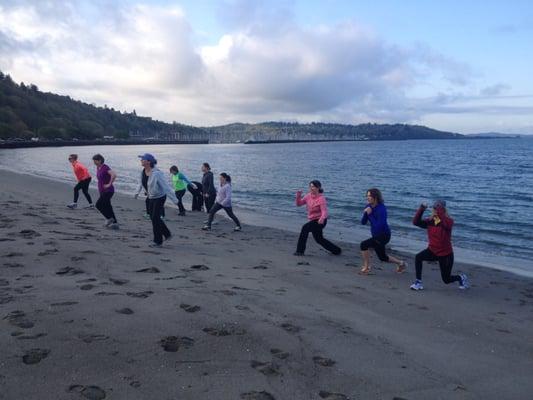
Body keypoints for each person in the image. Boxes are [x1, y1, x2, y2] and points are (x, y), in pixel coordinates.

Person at [410, 200, 469, 291]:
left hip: (446, 254)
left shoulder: (449, 221)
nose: (435, 210)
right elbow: (415, 222)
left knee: (446, 279)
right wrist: (422, 208)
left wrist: (439, 210)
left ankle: (461, 277)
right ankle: (418, 282)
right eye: (434, 208)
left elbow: (444, 223)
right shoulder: (430, 221)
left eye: (437, 208)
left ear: (443, 209)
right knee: (418, 257)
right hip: (432, 251)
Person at [359, 188, 406, 274]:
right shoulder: (368, 206)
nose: (367, 198)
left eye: (369, 196)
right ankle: (401, 263)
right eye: (367, 196)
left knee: (363, 245)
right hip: (376, 235)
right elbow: (363, 222)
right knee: (382, 257)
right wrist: (365, 213)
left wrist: (370, 214)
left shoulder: (382, 209)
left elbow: (378, 226)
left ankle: (366, 267)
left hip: (384, 235)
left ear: (375, 197)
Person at [139, 153, 180, 247]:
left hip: (159, 197)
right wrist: (137, 192)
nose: (141, 160)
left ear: (149, 161)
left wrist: (175, 200)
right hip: (150, 197)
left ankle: (158, 241)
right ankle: (167, 234)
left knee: (155, 218)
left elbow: (166, 187)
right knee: (153, 217)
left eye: (143, 159)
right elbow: (141, 182)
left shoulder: (157, 173)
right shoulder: (143, 171)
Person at [294, 180, 341, 256]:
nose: (311, 188)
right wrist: (298, 195)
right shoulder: (308, 196)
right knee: (319, 239)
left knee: (305, 228)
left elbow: (324, 211)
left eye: (313, 186)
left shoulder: (321, 198)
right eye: (310, 186)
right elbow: (299, 204)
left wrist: (321, 219)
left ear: (318, 187)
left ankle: (300, 251)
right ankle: (337, 250)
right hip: (313, 220)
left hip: (320, 221)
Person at [92, 154, 118, 229]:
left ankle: (109, 218)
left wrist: (109, 184)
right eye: (94, 161)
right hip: (102, 191)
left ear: (100, 160)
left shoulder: (105, 167)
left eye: (95, 160)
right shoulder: (98, 167)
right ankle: (115, 223)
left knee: (98, 205)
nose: (94, 162)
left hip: (108, 191)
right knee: (108, 207)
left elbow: (114, 175)